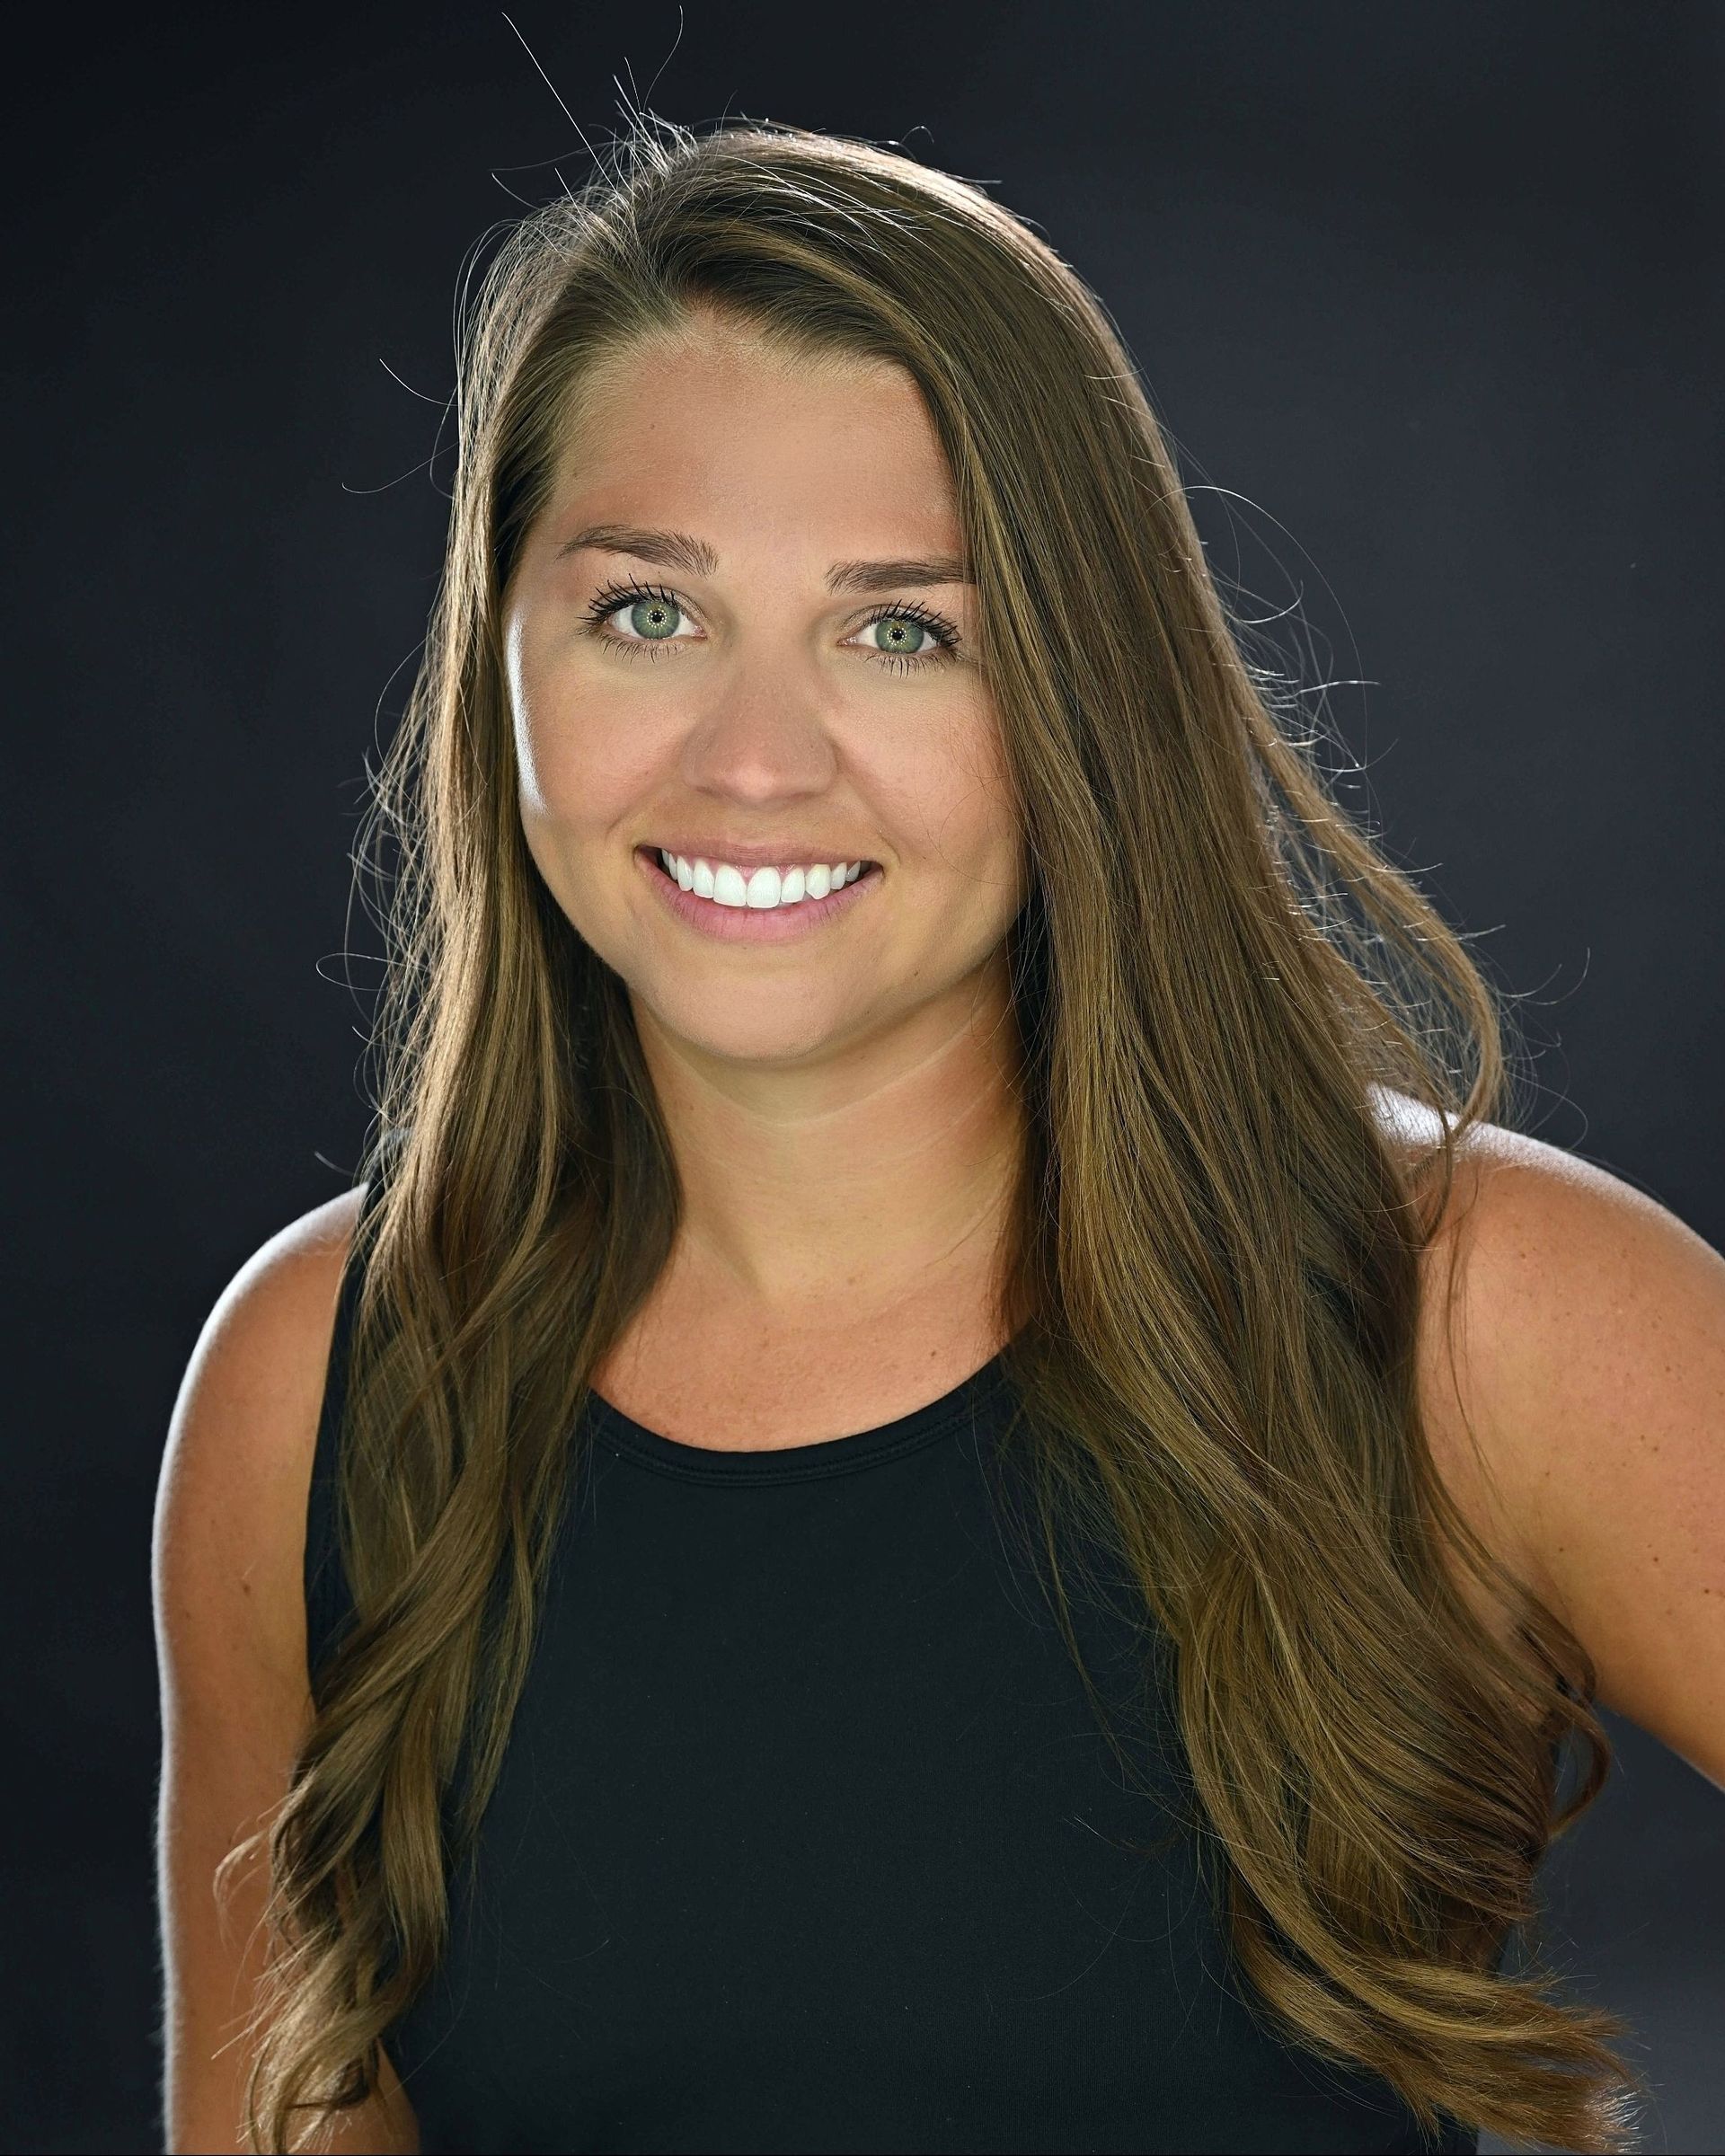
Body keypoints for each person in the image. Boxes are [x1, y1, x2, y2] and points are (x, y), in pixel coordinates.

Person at [153, 117, 1724, 2156]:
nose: (753, 758)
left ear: (1082, 690)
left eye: (905, 629)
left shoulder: (1467, 1307)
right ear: (500, 654)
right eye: (648, 611)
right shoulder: (317, 1381)